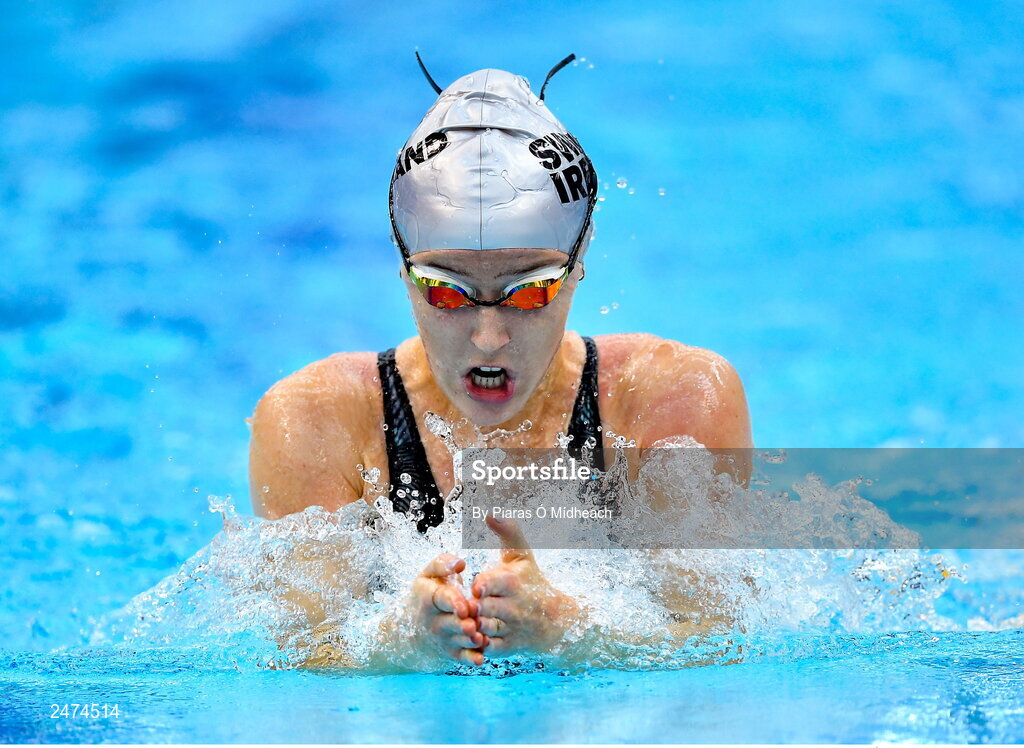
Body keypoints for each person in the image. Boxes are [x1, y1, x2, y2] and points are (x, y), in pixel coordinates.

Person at [248, 58, 752, 667]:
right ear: (403, 269)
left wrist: (575, 630)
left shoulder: (671, 399)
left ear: (580, 256)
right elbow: (300, 669)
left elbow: (719, 646)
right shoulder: (320, 419)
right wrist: (394, 646)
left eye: (530, 291)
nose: (489, 338)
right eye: (446, 291)